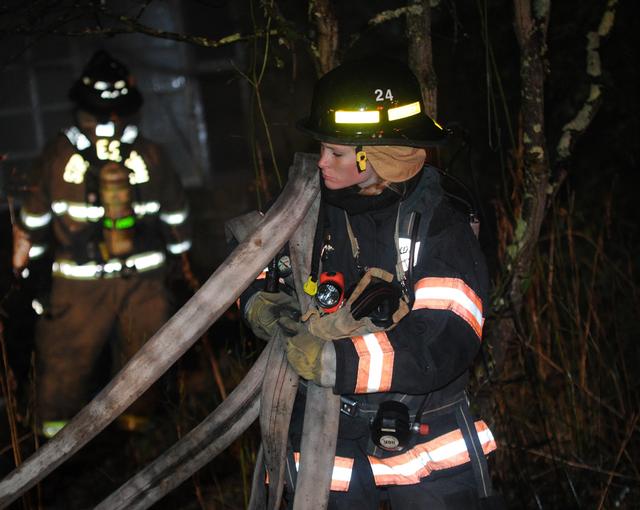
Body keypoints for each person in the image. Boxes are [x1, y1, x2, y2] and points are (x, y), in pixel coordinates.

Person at [243, 58, 503, 509]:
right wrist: (261, 303)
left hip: (422, 429)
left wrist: (334, 360)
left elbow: (444, 337)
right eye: (322, 148)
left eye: (337, 153)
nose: (320, 163)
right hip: (323, 432)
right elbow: (254, 269)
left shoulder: (439, 226)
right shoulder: (304, 209)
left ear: (378, 156)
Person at [13, 50, 192, 438]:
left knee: (65, 362)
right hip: (143, 279)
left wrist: (30, 273)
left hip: (78, 284)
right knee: (143, 361)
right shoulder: (150, 154)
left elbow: (31, 223)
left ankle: (55, 451)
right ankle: (137, 436)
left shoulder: (57, 155)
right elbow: (177, 217)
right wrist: (181, 265)